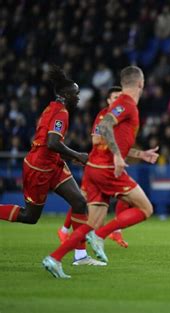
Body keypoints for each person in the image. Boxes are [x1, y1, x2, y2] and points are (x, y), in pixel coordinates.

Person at [42, 66, 159, 278]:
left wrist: (141, 155)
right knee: (146, 209)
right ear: (141, 84)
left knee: (91, 222)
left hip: (95, 168)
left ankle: (55, 258)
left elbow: (114, 138)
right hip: (106, 168)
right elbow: (105, 127)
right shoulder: (126, 104)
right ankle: (102, 235)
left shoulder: (124, 105)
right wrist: (116, 156)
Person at [0, 65, 104, 266]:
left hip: (53, 163)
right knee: (30, 216)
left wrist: (68, 156)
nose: (78, 98)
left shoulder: (52, 107)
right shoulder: (61, 113)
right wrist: (79, 155)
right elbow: (52, 142)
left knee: (79, 202)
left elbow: (52, 144)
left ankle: (80, 256)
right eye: (76, 94)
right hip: (39, 167)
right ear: (65, 94)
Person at [57, 86, 131, 248]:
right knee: (85, 199)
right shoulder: (103, 116)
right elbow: (96, 141)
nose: (118, 100)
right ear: (108, 100)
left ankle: (111, 232)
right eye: (114, 97)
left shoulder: (122, 117)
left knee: (121, 195)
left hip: (111, 163)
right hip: (99, 164)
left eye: (120, 97)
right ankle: (66, 230)